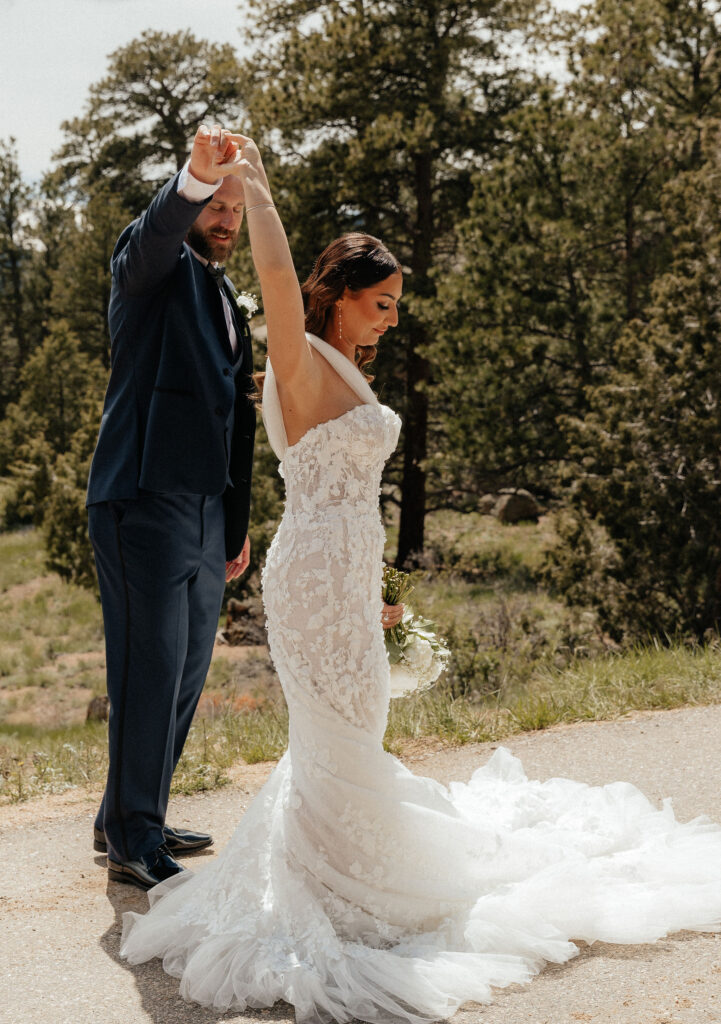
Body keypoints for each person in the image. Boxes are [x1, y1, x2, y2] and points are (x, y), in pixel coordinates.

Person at [119, 134, 721, 1022]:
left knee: (351, 730)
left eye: (396, 305)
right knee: (342, 734)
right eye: (382, 303)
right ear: (340, 297)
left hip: (340, 577)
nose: (391, 318)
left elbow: (347, 501)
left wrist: (372, 596)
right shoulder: (299, 360)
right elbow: (279, 281)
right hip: (313, 580)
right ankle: (339, 884)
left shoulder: (341, 376)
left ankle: (344, 866)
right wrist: (257, 189)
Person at [86, 125, 256, 890]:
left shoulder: (226, 296)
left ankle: (131, 813)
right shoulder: (150, 266)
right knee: (147, 667)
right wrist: (193, 176)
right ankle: (133, 837)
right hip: (143, 498)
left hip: (205, 512)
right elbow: (152, 238)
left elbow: (237, 418)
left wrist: (236, 524)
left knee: (184, 670)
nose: (225, 218)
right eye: (214, 205)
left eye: (235, 209)